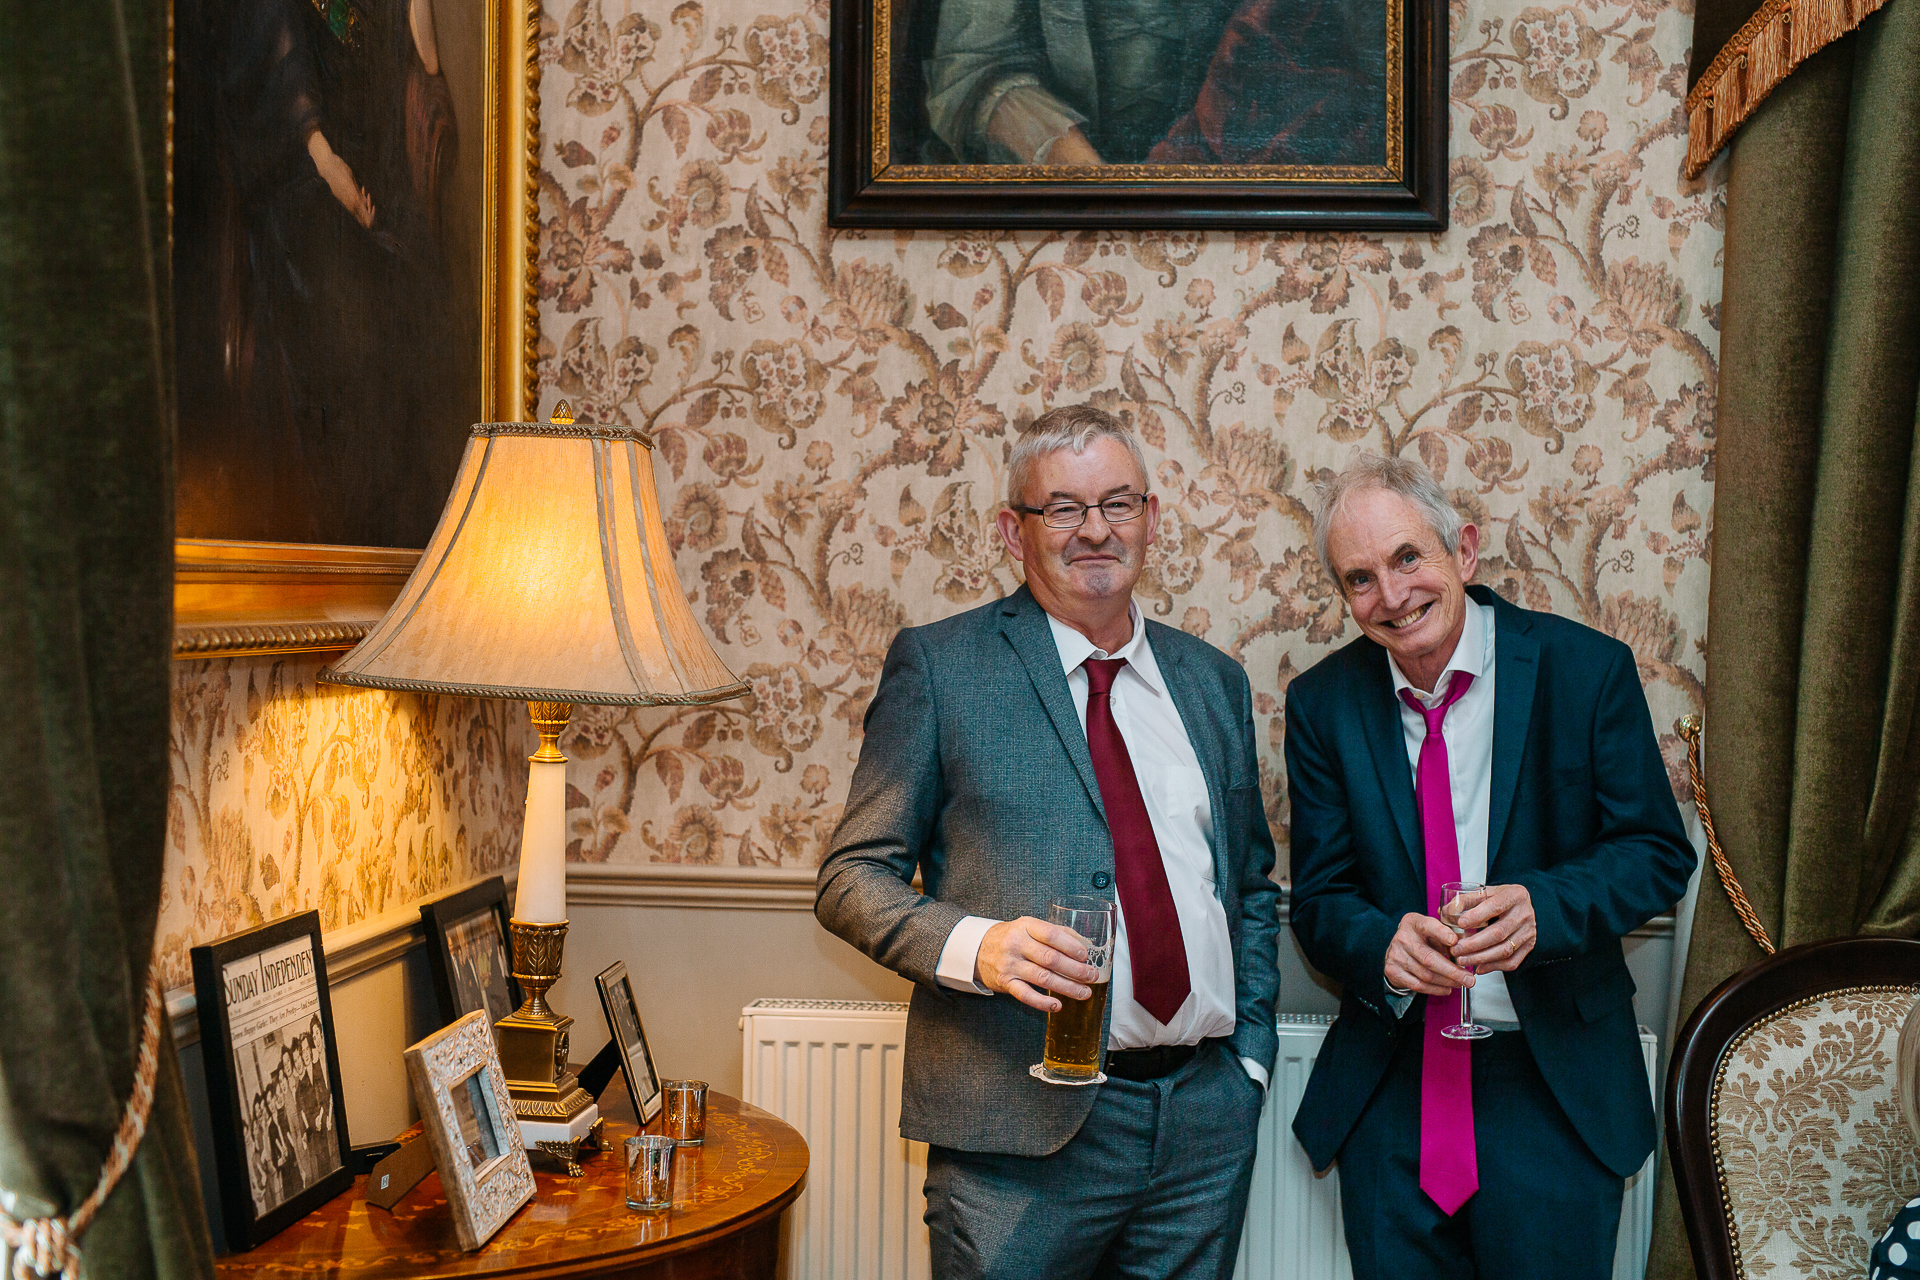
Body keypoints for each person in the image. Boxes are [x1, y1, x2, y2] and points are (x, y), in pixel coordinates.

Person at [816, 404, 1282, 1280]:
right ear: (1011, 530)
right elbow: (851, 878)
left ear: (1153, 517)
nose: (1094, 530)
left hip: (1201, 1130)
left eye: (1117, 503)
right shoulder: (942, 668)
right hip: (1015, 1137)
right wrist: (978, 945)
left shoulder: (1213, 681)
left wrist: (1248, 1063)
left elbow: (1250, 886)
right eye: (1062, 508)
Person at [1284, 453, 1696, 1280]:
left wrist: (1547, 905)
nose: (1392, 597)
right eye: (1360, 579)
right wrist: (1379, 947)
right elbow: (1322, 898)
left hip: (1552, 1089)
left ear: (1463, 551)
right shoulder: (1322, 703)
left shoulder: (1587, 671)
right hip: (1394, 1093)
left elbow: (1657, 853)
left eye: (1408, 558)